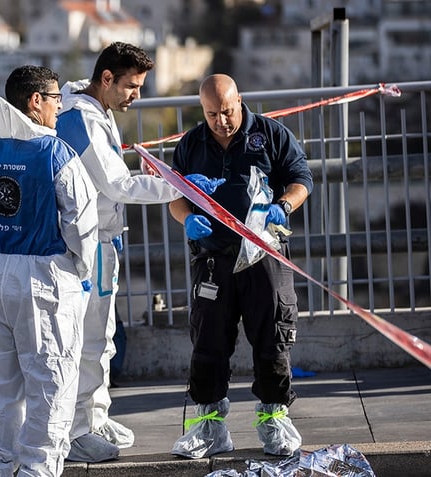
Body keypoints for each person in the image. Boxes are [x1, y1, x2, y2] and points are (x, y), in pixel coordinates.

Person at [55, 41, 224, 462]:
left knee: (103, 338)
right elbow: (119, 186)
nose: (137, 95)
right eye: (132, 86)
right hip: (85, 245)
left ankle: (95, 415)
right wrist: (183, 186)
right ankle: (76, 433)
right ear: (106, 79)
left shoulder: (95, 110)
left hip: (101, 241)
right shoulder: (81, 119)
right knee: (85, 341)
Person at [0, 65, 99, 477]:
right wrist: (82, 269)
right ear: (35, 101)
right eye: (56, 99)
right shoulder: (57, 154)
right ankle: (37, 470)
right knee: (50, 383)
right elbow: (81, 223)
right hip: (44, 276)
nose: (60, 107)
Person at [168, 74, 314, 459]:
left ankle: (274, 419)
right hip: (213, 257)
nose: (221, 121)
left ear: (240, 101)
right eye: (212, 114)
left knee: (272, 336)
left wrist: (283, 206)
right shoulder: (191, 144)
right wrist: (187, 219)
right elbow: (173, 194)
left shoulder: (270, 133)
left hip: (263, 252)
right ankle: (209, 426)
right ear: (203, 110)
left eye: (227, 112)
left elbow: (302, 179)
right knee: (208, 340)